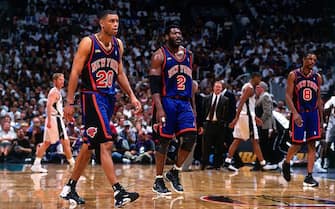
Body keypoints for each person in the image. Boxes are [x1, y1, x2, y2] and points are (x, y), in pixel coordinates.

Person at [59, 10, 141, 208]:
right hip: (92, 96)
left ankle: (69, 187)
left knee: (89, 145)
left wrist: (131, 95)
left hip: (109, 98)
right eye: (111, 21)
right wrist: (69, 102)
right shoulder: (88, 42)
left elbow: (119, 72)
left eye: (117, 21)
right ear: (101, 23)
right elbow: (75, 72)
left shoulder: (118, 45)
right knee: (105, 143)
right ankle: (119, 191)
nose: (115, 24)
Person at [149, 22, 197, 195]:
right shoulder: (159, 56)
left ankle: (175, 171)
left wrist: (194, 108)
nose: (178, 35)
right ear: (166, 37)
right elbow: (154, 87)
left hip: (184, 102)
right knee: (164, 141)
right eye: (174, 33)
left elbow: (191, 84)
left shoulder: (189, 55)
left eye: (179, 32)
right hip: (166, 101)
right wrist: (159, 108)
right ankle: (158, 180)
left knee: (191, 137)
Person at [282, 53, 323, 187]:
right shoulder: (293, 75)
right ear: (303, 59)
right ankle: (287, 162)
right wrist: (295, 113)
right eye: (310, 59)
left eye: (314, 60)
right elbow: (288, 96)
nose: (312, 61)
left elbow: (318, 99)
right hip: (299, 113)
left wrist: (321, 120)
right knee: (297, 144)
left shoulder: (318, 77)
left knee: (312, 145)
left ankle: (309, 176)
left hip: (313, 114)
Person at [224, 72, 270, 171]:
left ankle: (227, 162)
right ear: (255, 78)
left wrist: (255, 117)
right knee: (255, 140)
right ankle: (263, 164)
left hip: (245, 116)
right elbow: (241, 103)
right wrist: (236, 118)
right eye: (259, 79)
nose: (260, 81)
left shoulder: (247, 86)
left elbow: (247, 105)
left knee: (237, 140)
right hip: (246, 118)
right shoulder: (249, 88)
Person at [31, 73, 75, 172]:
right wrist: (50, 121)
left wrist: (67, 117)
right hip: (55, 119)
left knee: (46, 143)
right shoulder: (54, 92)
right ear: (54, 81)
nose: (62, 81)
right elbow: (49, 106)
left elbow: (57, 108)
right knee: (65, 142)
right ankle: (73, 166)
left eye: (63, 79)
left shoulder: (57, 92)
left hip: (56, 118)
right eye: (60, 79)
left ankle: (36, 164)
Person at [201, 80, 229, 170]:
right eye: (216, 86)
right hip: (208, 124)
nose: (218, 88)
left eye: (219, 87)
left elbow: (226, 113)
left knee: (219, 146)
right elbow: (202, 112)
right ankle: (204, 164)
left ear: (221, 89)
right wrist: (202, 124)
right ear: (213, 87)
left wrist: (223, 122)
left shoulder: (225, 100)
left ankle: (217, 165)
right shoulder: (206, 98)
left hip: (219, 125)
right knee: (206, 145)